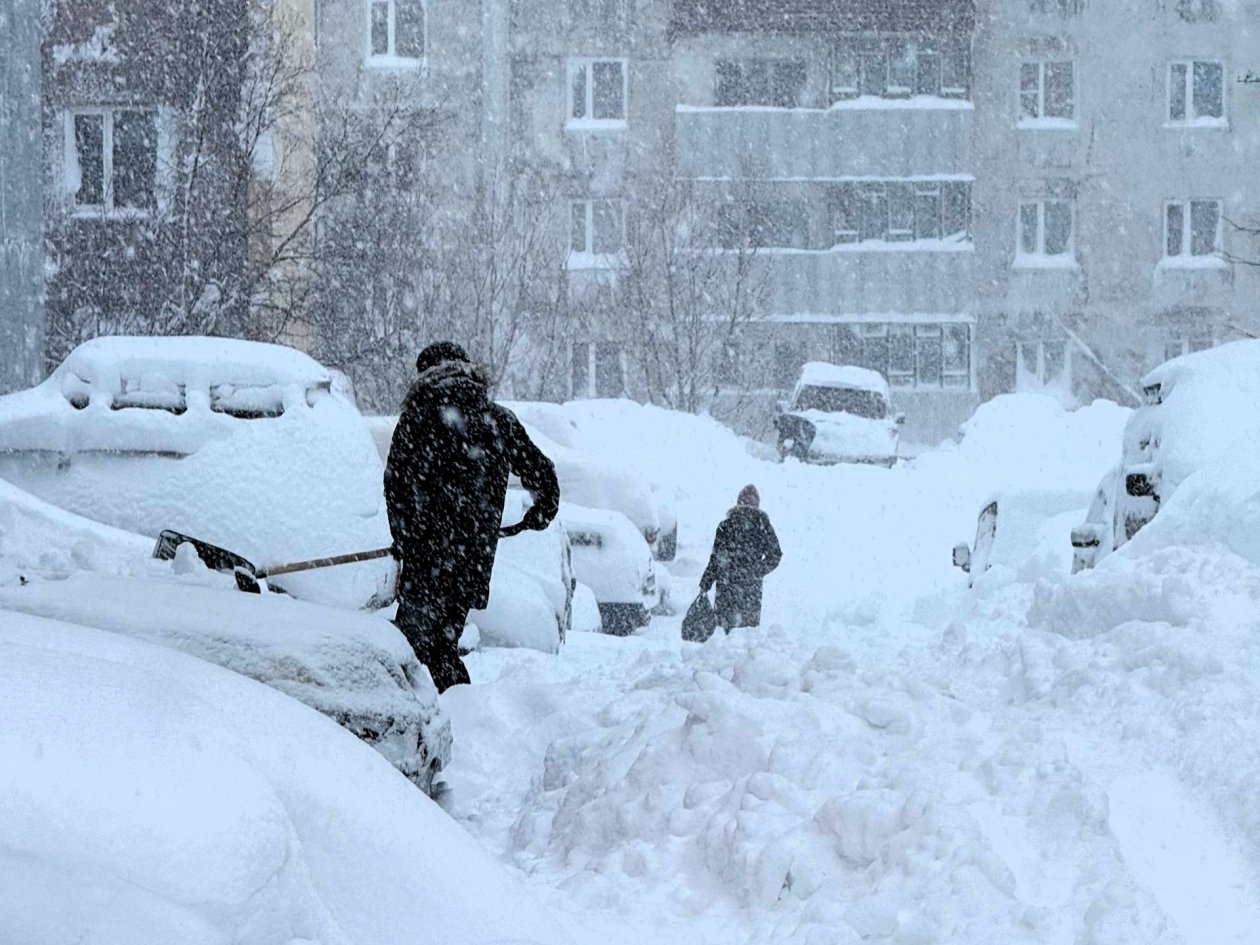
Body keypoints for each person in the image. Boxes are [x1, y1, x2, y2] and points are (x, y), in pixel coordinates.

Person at [384, 341, 559, 692]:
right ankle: (460, 710)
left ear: (425, 376)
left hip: (425, 561)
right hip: (470, 563)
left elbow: (396, 489)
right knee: (442, 646)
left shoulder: (416, 419)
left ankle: (435, 716)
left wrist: (406, 543)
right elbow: (546, 481)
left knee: (412, 651)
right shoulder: (497, 419)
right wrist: (536, 516)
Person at [699, 484, 782, 631]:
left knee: (723, 633)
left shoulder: (726, 525)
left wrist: (706, 583)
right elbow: (775, 555)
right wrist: (756, 570)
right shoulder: (763, 526)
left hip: (726, 583)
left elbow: (715, 559)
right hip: (750, 589)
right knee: (747, 636)